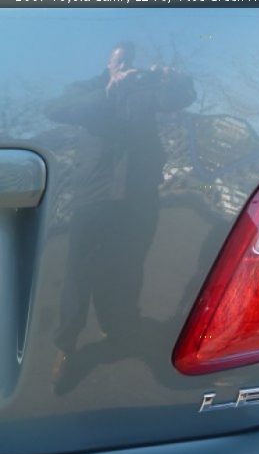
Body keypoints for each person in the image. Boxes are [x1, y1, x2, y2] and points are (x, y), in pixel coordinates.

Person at [46, 42, 195, 392]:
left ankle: (119, 329)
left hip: (139, 194)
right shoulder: (89, 88)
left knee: (130, 265)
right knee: (79, 273)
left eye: (131, 60)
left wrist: (174, 78)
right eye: (120, 59)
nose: (126, 65)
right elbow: (54, 109)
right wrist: (108, 91)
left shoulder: (146, 89)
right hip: (93, 193)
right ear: (109, 62)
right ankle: (66, 345)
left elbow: (180, 98)